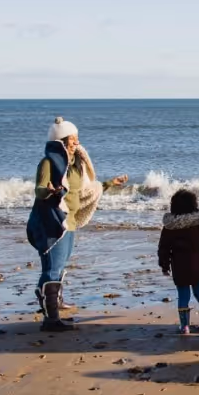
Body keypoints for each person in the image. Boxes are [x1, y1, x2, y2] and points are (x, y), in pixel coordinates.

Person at [26, 117, 129, 332]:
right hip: (51, 221)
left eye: (77, 139)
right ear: (61, 141)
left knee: (59, 267)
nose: (76, 143)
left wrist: (110, 183)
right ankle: (51, 320)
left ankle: (54, 303)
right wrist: (50, 192)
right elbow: (39, 190)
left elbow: (83, 191)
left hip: (69, 221)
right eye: (72, 139)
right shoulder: (48, 163)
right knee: (52, 269)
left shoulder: (74, 166)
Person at [158, 188, 199, 334]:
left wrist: (164, 265)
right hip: (198, 266)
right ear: (193, 205)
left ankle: (184, 327)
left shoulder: (169, 227)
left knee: (183, 296)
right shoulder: (197, 223)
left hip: (180, 268)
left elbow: (163, 248)